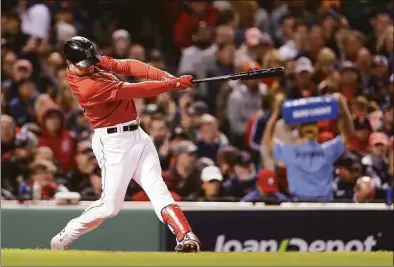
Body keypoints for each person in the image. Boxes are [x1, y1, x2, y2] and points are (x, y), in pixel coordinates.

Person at [50, 36, 200, 252]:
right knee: (110, 207)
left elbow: (128, 65)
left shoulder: (91, 63)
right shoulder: (87, 87)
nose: (90, 67)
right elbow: (133, 90)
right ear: (69, 64)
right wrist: (173, 84)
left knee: (158, 189)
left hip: (137, 135)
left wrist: (166, 76)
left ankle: (186, 236)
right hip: (112, 143)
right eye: (84, 66)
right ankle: (63, 238)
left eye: (91, 62)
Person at [263, 92, 354, 201]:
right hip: (324, 206)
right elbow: (348, 134)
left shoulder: (291, 153)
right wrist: (343, 109)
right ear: (317, 132)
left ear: (300, 133)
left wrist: (276, 112)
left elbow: (267, 139)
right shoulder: (327, 151)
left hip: (301, 205)